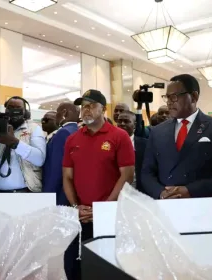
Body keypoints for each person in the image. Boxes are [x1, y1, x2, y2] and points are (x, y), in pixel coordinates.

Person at [63, 89, 135, 280]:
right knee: (76, 267)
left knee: (108, 268)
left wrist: (104, 208)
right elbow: (67, 177)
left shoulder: (119, 136)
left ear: (103, 109)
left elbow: (126, 175)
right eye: (83, 107)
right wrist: (76, 207)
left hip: (111, 215)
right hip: (81, 215)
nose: (85, 110)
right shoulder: (72, 139)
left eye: (91, 106)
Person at [141, 74, 212, 199]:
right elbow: (147, 173)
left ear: (193, 97)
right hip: (165, 205)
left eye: (174, 96)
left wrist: (190, 191)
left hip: (202, 205)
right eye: (167, 97)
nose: (170, 102)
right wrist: (160, 192)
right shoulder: (158, 131)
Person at [0, 96, 46, 193]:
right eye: (11, 107)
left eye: (18, 108)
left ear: (25, 112)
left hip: (26, 193)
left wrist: (14, 142)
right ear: (6, 110)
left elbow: (39, 159)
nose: (14, 111)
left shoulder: (34, 129)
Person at [42, 102, 79, 205]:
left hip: (59, 193)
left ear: (64, 113)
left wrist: (47, 195)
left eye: (57, 113)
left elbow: (56, 168)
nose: (56, 116)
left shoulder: (63, 133)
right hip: (72, 191)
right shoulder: (78, 131)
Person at [116, 110, 147, 191]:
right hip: (115, 190)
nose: (122, 124)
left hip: (140, 191)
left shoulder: (145, 144)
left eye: (126, 121)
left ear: (134, 125)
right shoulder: (109, 143)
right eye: (120, 121)